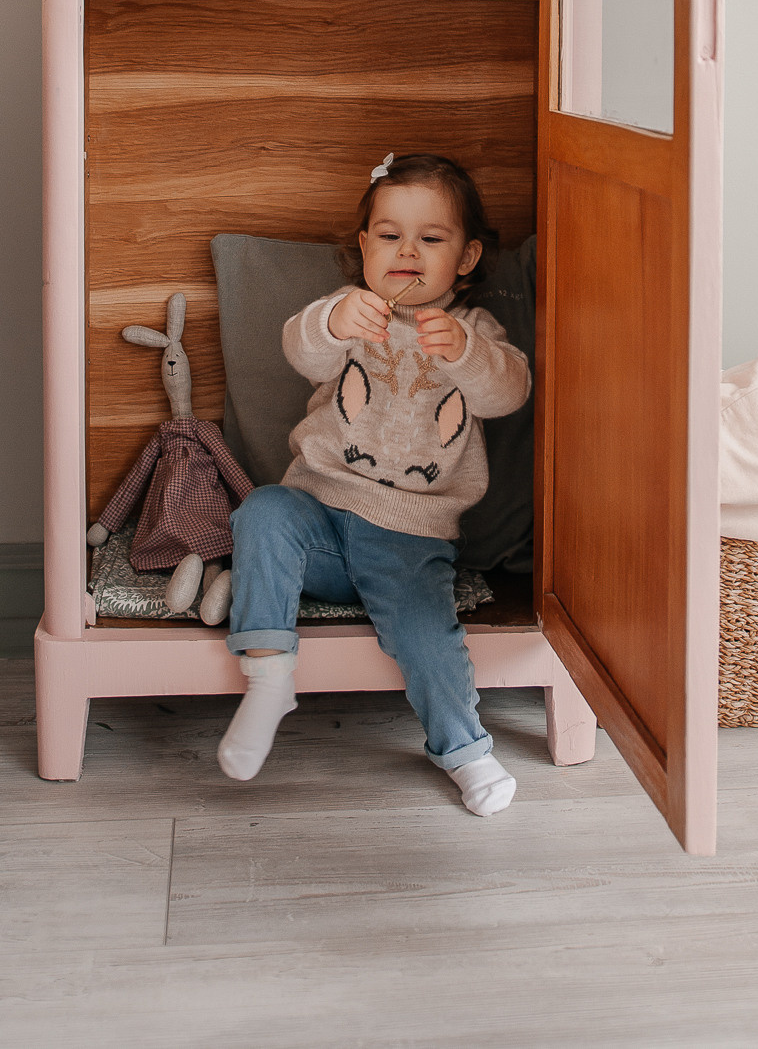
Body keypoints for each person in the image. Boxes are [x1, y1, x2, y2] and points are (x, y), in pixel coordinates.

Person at [217, 152, 531, 816]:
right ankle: (269, 679)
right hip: (320, 519)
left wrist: (466, 355)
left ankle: (465, 749)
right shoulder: (352, 312)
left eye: (432, 238)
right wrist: (333, 323)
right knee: (264, 512)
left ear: (467, 258)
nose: (407, 252)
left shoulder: (472, 331)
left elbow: (508, 391)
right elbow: (301, 350)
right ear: (364, 248)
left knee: (429, 639)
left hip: (409, 541)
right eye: (389, 236)